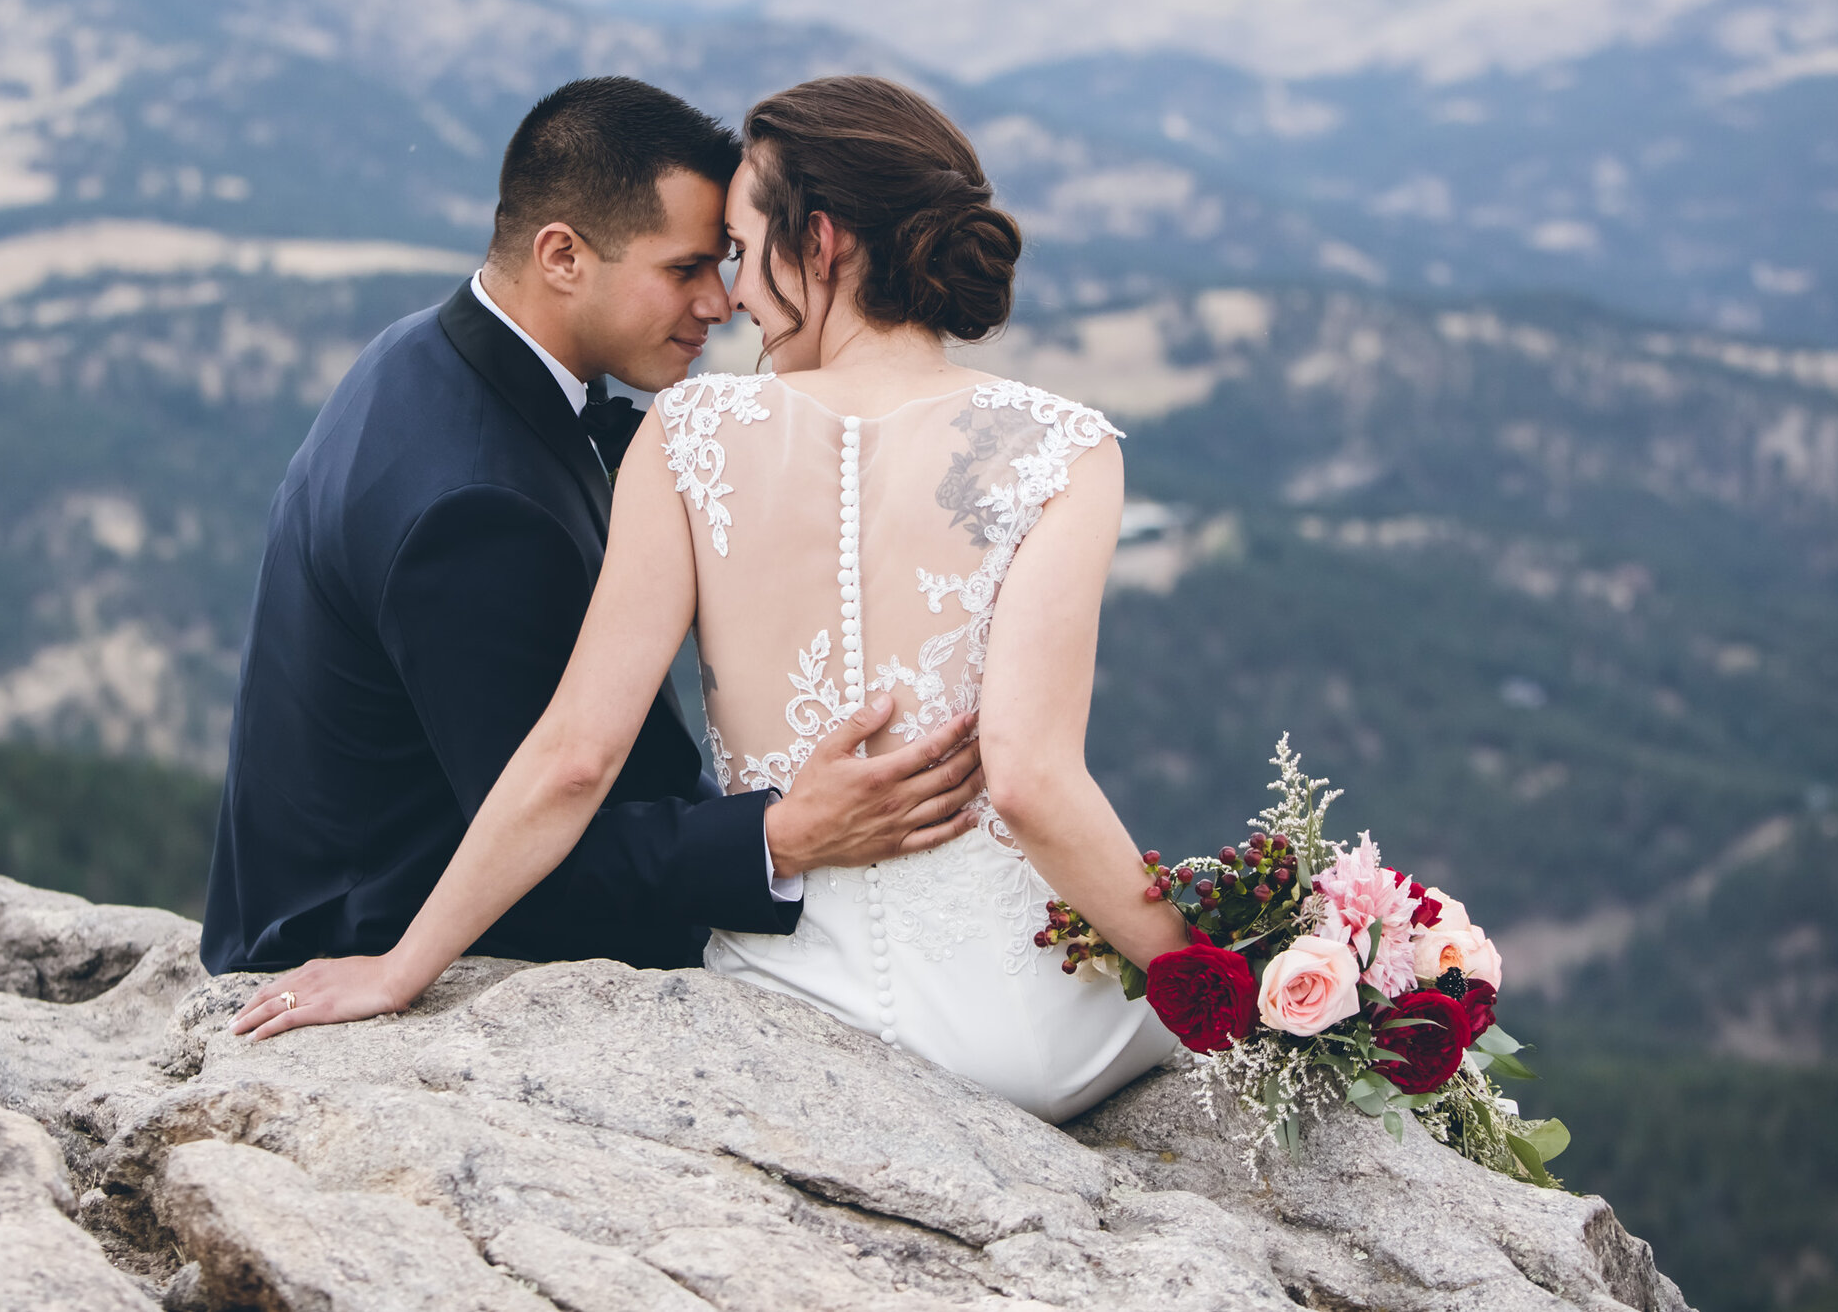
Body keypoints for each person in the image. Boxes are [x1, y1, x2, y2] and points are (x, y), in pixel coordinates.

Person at [236, 75, 1181, 1123]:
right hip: (1026, 1032)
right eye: (703, 262)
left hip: (789, 1007)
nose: (730, 295)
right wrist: (1220, 982)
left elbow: (571, 756)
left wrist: (403, 970)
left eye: (737, 251)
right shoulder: (1062, 447)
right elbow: (1033, 783)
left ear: (816, 245)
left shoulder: (685, 432)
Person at [200, 77, 984, 979]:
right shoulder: (475, 508)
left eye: (726, 260)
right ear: (563, 256)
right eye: (685, 269)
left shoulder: (430, 352)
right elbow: (545, 835)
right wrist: (784, 834)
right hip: (372, 931)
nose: (721, 302)